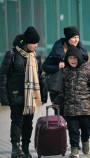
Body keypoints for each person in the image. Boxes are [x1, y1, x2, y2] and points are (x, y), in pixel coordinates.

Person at [53, 46, 90, 157]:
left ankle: (85, 140)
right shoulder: (65, 72)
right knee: (73, 129)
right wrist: (57, 101)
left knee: (86, 127)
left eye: (74, 58)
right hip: (70, 108)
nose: (72, 60)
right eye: (70, 58)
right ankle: (74, 148)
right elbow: (63, 90)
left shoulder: (88, 70)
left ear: (79, 58)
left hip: (85, 108)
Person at [0, 26, 48, 158]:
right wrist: (4, 97)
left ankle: (25, 149)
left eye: (37, 43)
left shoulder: (36, 56)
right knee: (16, 121)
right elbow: (3, 75)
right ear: (26, 43)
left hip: (31, 96)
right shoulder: (12, 54)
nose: (36, 45)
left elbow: (41, 75)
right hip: (16, 94)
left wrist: (43, 95)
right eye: (34, 43)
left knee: (28, 123)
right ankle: (15, 147)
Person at [42, 26, 89, 115]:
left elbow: (88, 68)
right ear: (68, 38)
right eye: (74, 37)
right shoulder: (57, 50)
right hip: (58, 89)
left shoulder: (80, 49)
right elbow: (45, 66)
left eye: (78, 37)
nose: (76, 40)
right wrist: (57, 66)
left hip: (74, 89)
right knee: (60, 115)